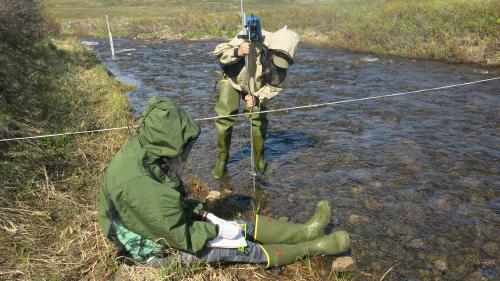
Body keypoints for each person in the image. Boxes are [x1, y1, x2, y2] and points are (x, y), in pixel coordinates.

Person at [98, 97, 350, 267]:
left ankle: (306, 231)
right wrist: (216, 230)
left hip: (151, 224)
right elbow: (179, 236)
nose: (184, 152)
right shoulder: (140, 180)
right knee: (240, 247)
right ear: (166, 142)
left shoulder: (145, 150)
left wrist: (207, 217)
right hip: (147, 248)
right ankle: (317, 246)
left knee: (239, 227)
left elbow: (164, 209)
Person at [212, 25, 300, 179]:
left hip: (256, 89)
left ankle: (259, 161)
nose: (277, 64)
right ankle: (222, 161)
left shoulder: (284, 65)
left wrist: (258, 97)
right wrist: (238, 51)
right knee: (224, 119)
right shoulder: (250, 35)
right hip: (233, 79)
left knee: (258, 120)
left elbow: (275, 86)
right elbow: (219, 51)